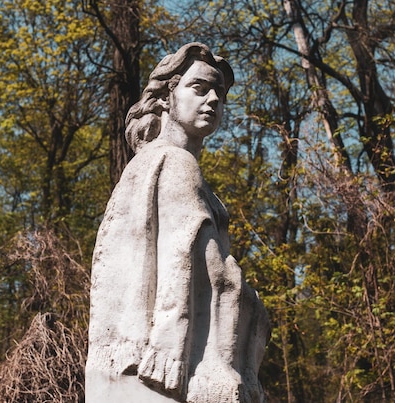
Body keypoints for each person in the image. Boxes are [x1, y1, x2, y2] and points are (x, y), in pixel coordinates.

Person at [86, 43, 269, 403]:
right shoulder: (176, 164)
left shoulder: (147, 165)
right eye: (200, 88)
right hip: (167, 373)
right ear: (167, 97)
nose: (214, 100)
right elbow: (189, 264)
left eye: (220, 94)